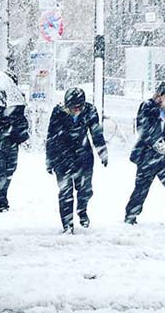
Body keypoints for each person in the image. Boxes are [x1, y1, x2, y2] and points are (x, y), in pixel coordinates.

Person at [46, 88, 108, 234]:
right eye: (72, 107)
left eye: (78, 107)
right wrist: (49, 159)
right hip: (62, 156)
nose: (75, 110)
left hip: (83, 156)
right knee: (65, 192)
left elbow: (96, 133)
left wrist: (102, 153)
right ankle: (67, 224)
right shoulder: (58, 112)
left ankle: (82, 210)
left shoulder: (90, 111)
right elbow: (51, 136)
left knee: (85, 190)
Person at [124, 81, 165, 227]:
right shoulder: (147, 106)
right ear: (160, 96)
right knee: (141, 188)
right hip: (147, 155)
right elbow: (143, 129)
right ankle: (130, 216)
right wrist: (157, 144)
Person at [0, 103, 30, 212]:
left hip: (12, 141)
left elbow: (22, 121)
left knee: (10, 169)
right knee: (2, 169)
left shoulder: (17, 104)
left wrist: (15, 126)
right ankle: (1, 200)